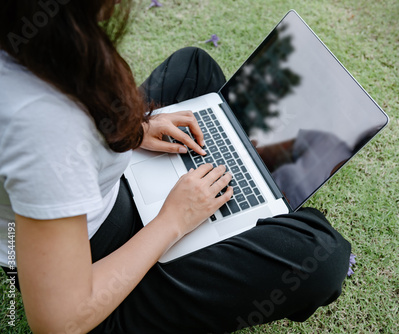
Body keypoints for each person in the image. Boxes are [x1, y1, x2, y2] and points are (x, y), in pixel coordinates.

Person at [0, 1, 351, 333]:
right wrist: (173, 221)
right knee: (322, 256)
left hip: (96, 195)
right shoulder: (40, 125)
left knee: (195, 69)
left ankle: (241, 189)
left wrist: (132, 130)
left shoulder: (34, 43)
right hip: (93, 276)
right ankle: (236, 216)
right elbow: (61, 323)